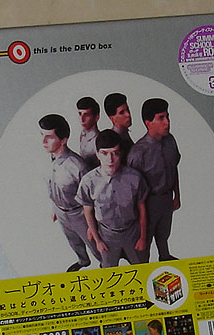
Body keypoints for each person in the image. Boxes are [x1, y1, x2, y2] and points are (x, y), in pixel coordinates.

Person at [76, 129, 148, 268]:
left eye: (115, 153)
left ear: (121, 154)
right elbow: (88, 212)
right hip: (106, 235)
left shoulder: (135, 178)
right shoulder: (88, 181)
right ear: (97, 154)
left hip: (132, 233)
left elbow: (142, 210)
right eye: (104, 153)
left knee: (141, 267)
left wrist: (142, 238)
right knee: (108, 269)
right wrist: (98, 240)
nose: (110, 159)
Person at [39, 114, 101, 272]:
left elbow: (92, 196)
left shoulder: (78, 166)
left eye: (49, 137)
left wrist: (91, 224)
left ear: (63, 140)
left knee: (94, 244)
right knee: (73, 241)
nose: (43, 141)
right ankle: (83, 261)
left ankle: (105, 264)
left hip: (79, 214)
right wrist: (55, 208)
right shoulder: (50, 160)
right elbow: (52, 186)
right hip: (61, 212)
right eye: (42, 135)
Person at [128, 98, 181, 262]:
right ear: (148, 123)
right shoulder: (138, 153)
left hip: (166, 199)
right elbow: (131, 189)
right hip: (148, 204)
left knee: (164, 233)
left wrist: (177, 196)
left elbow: (174, 168)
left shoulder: (170, 141)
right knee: (145, 240)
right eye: (161, 118)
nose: (167, 122)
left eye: (167, 116)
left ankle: (165, 257)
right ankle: (143, 266)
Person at [104, 93, 134, 162]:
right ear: (112, 119)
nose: (128, 114)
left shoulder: (124, 133)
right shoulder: (114, 142)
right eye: (121, 112)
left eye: (127, 109)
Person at [76, 96, 100, 170]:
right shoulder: (83, 134)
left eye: (86, 115)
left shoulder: (98, 140)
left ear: (96, 117)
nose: (82, 119)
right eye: (80, 114)